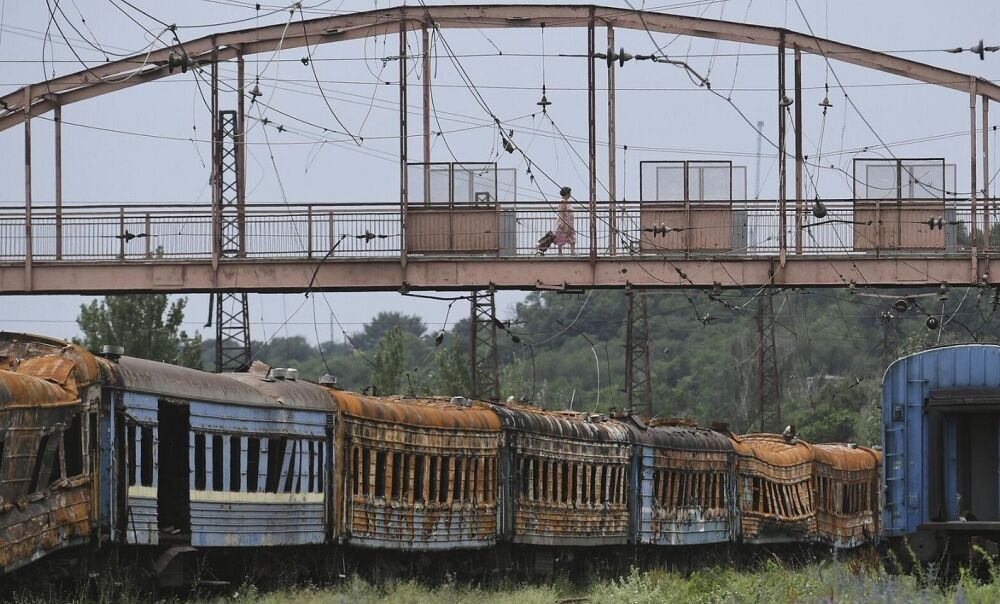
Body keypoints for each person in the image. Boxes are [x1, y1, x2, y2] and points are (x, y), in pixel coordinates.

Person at [553, 186, 576, 255]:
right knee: (561, 237)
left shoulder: (567, 202)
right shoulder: (563, 202)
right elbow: (561, 213)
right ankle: (560, 252)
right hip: (565, 223)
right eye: (569, 193)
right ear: (567, 193)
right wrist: (562, 223)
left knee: (572, 237)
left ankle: (572, 251)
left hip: (569, 224)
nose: (570, 194)